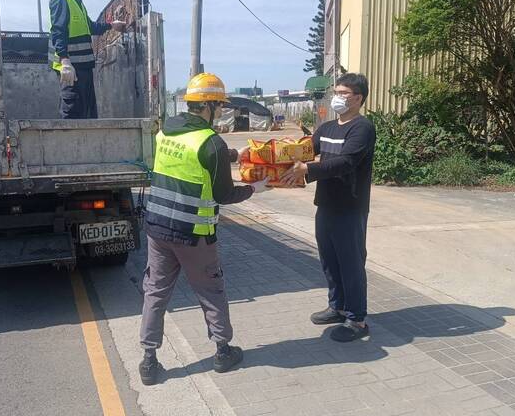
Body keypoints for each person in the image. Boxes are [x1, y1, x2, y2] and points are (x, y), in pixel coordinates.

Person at [138, 72, 270, 385]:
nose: (222, 111)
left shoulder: (165, 132)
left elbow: (192, 156)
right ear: (208, 106)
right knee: (211, 290)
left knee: (155, 291)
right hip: (193, 236)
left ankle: (148, 359)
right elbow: (224, 193)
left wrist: (236, 155)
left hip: (157, 228)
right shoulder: (212, 142)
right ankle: (223, 351)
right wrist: (255, 189)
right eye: (219, 106)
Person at [281, 73, 376, 342]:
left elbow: (346, 162)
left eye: (343, 93)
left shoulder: (362, 128)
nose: (337, 97)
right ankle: (337, 306)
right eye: (336, 91)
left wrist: (306, 170)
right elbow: (305, 151)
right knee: (330, 260)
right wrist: (279, 160)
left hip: (351, 206)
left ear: (358, 98)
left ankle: (357, 320)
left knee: (351, 263)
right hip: (326, 204)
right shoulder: (326, 128)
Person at [48, 0, 126, 119]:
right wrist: (65, 62)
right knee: (72, 114)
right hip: (72, 71)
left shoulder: (76, 1)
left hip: (83, 69)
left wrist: (111, 25)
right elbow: (58, 31)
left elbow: (89, 27)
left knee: (87, 114)